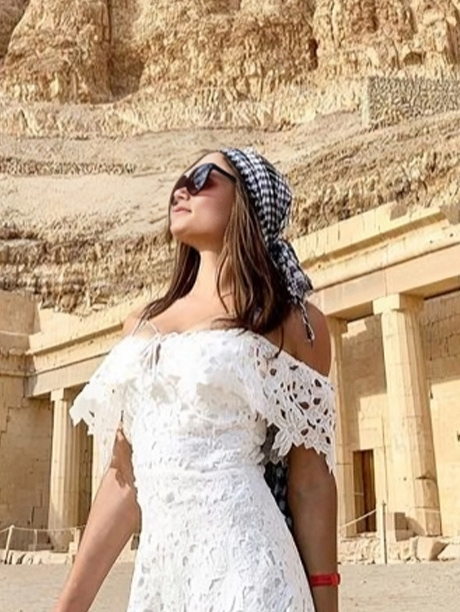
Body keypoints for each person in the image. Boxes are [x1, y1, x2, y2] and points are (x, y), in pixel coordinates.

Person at [52, 148, 339, 612]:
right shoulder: (140, 326)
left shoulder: (291, 323)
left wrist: (327, 604)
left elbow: (310, 483)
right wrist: (69, 605)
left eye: (204, 177)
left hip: (253, 581)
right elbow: (124, 478)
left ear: (247, 200)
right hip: (164, 587)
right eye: (179, 181)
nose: (182, 189)